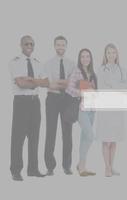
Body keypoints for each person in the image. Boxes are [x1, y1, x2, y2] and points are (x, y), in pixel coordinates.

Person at [9, 35, 48, 181]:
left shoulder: (37, 63)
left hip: (35, 103)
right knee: (18, 138)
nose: (29, 46)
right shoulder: (15, 62)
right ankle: (16, 170)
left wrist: (32, 80)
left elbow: (46, 83)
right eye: (26, 43)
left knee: (34, 137)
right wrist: (36, 82)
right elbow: (21, 83)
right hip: (21, 103)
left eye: (32, 44)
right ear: (21, 45)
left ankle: (33, 169)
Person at [43, 36, 75, 176]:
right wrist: (64, 82)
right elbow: (50, 84)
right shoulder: (48, 64)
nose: (60, 47)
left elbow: (72, 83)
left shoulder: (71, 63)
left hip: (67, 99)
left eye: (63, 45)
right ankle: (50, 166)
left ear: (66, 46)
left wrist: (61, 82)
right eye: (58, 45)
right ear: (54, 46)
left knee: (67, 134)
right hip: (52, 99)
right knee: (50, 132)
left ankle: (67, 166)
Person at [96, 43, 127, 177]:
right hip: (105, 108)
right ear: (105, 55)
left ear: (117, 54)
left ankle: (112, 166)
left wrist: (114, 86)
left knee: (114, 139)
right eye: (108, 53)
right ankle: (107, 167)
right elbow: (101, 89)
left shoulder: (121, 69)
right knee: (106, 139)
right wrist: (117, 87)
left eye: (113, 52)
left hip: (117, 108)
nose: (111, 55)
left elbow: (126, 87)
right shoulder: (101, 70)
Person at [66, 49, 97, 177]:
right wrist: (81, 93)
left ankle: (82, 167)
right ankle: (80, 164)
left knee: (85, 138)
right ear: (80, 58)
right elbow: (69, 88)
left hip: (92, 110)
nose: (85, 59)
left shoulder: (92, 73)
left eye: (87, 56)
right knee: (90, 136)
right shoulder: (76, 71)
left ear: (90, 58)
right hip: (82, 109)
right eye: (82, 56)